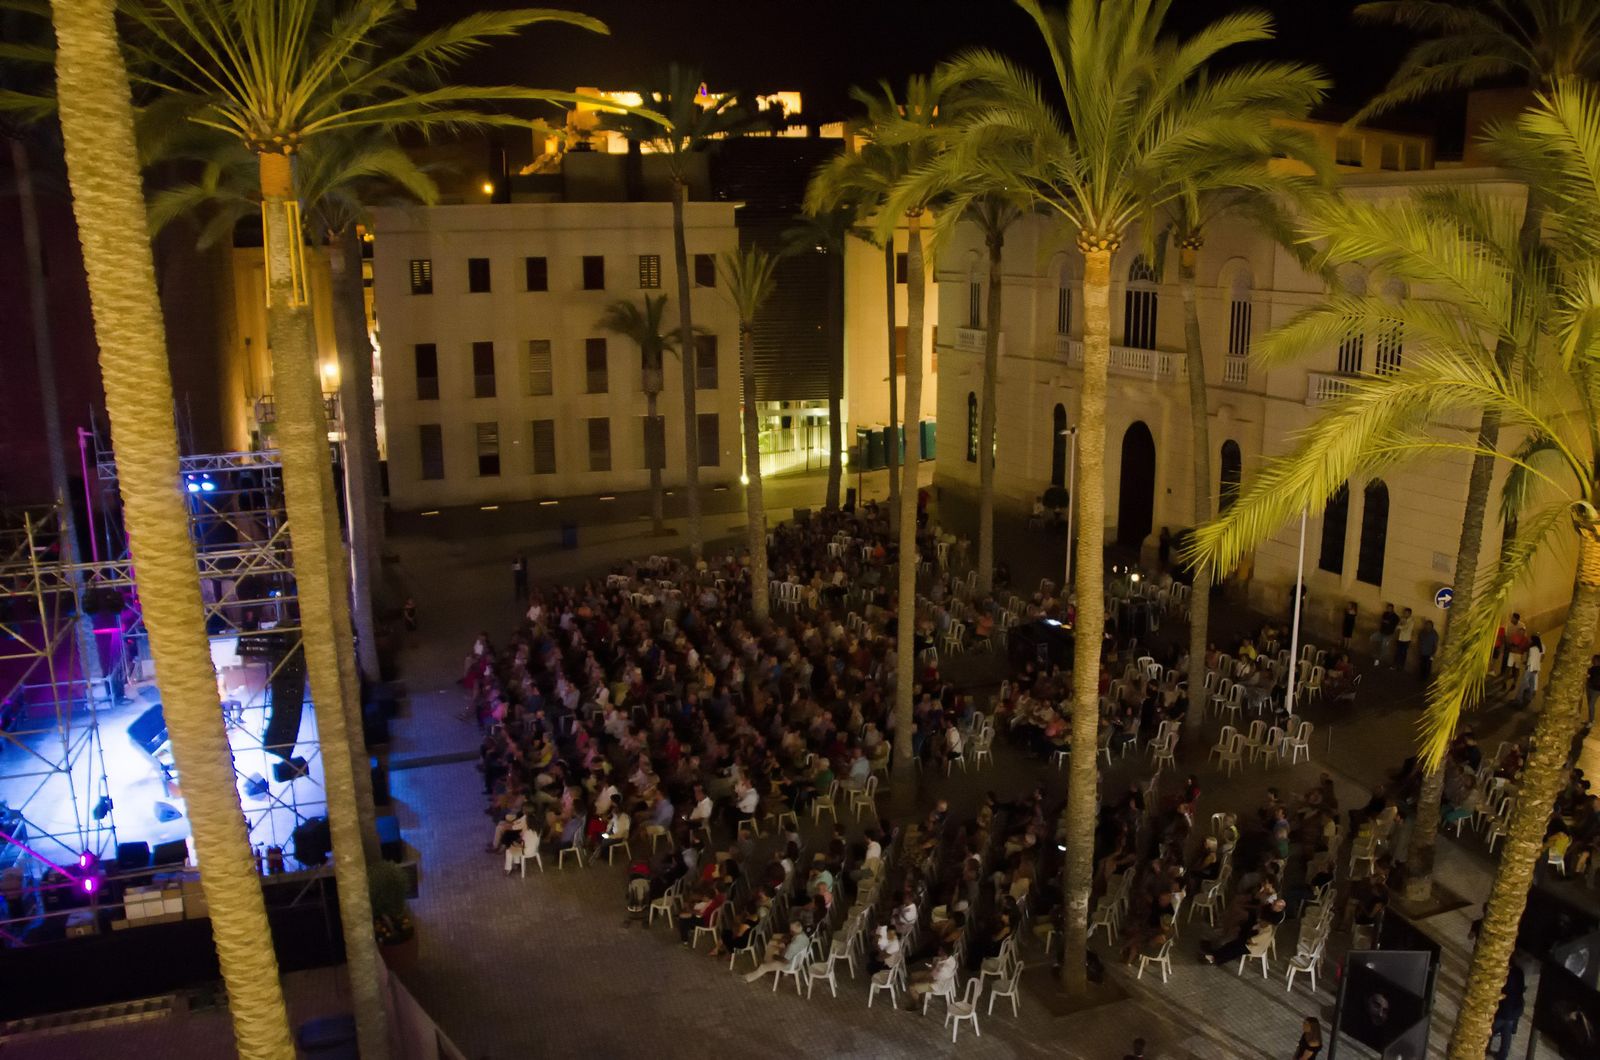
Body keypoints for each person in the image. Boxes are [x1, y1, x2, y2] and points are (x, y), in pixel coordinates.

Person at [742, 921, 809, 984]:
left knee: (763, 967)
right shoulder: (803, 935)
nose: (789, 931)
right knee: (774, 948)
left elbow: (785, 961)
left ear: (793, 932)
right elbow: (792, 941)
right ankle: (768, 964)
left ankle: (747, 979)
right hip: (797, 959)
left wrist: (775, 956)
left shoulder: (793, 946)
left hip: (788, 965)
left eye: (790, 930)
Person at [1490, 959, 1525, 1060]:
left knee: (1489, 1029)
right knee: (1507, 1030)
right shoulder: (1519, 972)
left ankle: (1483, 1049)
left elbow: (1504, 991)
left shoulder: (1507, 975)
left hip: (1506, 1010)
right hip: (1515, 1008)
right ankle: (1502, 1055)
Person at [1520, 634, 1543, 707]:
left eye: (1530, 639)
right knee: (1532, 684)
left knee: (1524, 683)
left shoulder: (1532, 649)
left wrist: (1527, 665)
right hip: (1536, 668)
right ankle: (1529, 698)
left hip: (1531, 668)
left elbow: (1531, 659)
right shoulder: (1539, 649)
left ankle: (1518, 699)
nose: (1529, 640)